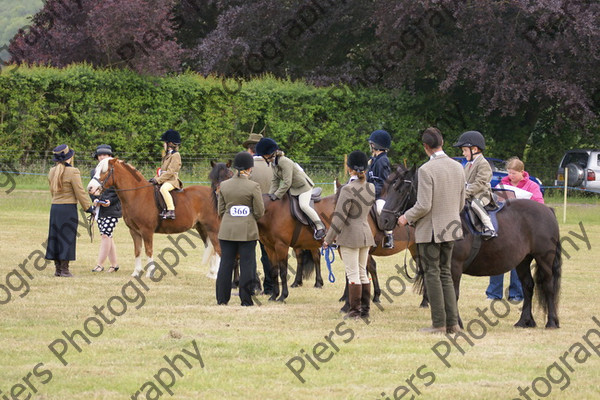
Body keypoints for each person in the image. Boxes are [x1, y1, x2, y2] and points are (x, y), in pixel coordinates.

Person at [397, 128, 466, 334]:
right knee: (446, 273)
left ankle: (438, 324)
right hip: (452, 228)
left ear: (425, 147)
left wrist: (406, 217)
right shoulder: (458, 167)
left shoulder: (426, 170)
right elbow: (461, 202)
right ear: (442, 142)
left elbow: (424, 205)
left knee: (432, 274)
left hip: (431, 231)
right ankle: (452, 323)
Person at [323, 151, 375, 319]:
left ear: (349, 168)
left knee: (353, 274)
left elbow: (339, 219)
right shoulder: (371, 187)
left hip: (350, 236)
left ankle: (354, 311)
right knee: (362, 272)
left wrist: (327, 239)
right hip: (366, 233)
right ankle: (365, 310)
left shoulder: (347, 190)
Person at [486, 156, 545, 301]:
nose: (510, 176)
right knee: (497, 258)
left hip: (522, 228)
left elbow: (540, 204)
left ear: (522, 172)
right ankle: (493, 294)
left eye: (513, 173)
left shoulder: (532, 186)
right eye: (509, 173)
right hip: (504, 225)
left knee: (517, 260)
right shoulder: (502, 184)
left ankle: (516, 294)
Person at [216, 151, 265, 306]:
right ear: (250, 168)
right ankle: (246, 300)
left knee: (225, 264)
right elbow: (259, 211)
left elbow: (220, 211)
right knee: (247, 264)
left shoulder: (224, 185)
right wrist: (249, 218)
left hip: (227, 230)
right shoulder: (253, 186)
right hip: (247, 231)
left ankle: (222, 299)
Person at [255, 137, 326, 240]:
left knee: (304, 206)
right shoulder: (273, 163)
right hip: (293, 189)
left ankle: (320, 227)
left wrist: (277, 195)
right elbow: (275, 181)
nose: (262, 157)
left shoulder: (285, 162)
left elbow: (287, 182)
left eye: (263, 155)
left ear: (269, 153)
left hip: (303, 187)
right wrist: (270, 196)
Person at [45, 144, 94, 277]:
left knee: (55, 237)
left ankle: (58, 269)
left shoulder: (52, 171)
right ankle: (65, 270)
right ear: (70, 157)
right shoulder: (73, 171)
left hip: (55, 208)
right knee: (67, 238)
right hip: (68, 209)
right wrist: (89, 208)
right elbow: (80, 192)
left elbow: (52, 191)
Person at [243, 132, 274, 295]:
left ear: (250, 150)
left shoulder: (248, 168)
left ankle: (254, 285)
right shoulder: (273, 165)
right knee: (268, 252)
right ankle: (270, 286)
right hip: (272, 214)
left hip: (251, 213)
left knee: (249, 251)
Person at [453, 130, 497, 239]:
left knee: (475, 204)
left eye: (465, 150)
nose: (463, 153)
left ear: (475, 149)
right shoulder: (468, 165)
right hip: (469, 193)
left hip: (482, 194)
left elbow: (480, 183)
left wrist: (465, 194)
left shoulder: (483, 164)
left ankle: (489, 228)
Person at [90, 144, 122, 273]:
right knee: (108, 236)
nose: (102, 157)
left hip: (113, 208)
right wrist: (95, 200)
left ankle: (100, 264)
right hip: (100, 208)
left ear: (110, 156)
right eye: (100, 155)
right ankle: (114, 265)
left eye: (105, 155)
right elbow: (91, 189)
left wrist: (110, 201)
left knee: (105, 235)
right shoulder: (94, 172)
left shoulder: (116, 170)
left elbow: (120, 191)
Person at [367, 129, 394, 248]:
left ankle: (389, 235)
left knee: (379, 209)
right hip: (369, 191)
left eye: (371, 144)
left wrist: (371, 192)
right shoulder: (374, 160)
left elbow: (383, 183)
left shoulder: (383, 161)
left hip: (381, 194)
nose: (370, 146)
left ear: (376, 145)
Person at [150, 129, 182, 219]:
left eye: (164, 142)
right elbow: (162, 170)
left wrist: (158, 180)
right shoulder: (167, 155)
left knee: (163, 189)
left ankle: (171, 211)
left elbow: (170, 172)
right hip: (165, 179)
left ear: (170, 144)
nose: (163, 144)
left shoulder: (176, 155)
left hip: (172, 180)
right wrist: (154, 178)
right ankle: (162, 209)